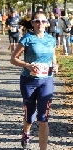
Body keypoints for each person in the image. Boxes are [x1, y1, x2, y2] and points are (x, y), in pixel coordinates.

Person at [10, 11, 58, 150]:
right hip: (28, 81)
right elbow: (13, 59)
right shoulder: (27, 38)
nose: (40, 24)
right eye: (37, 21)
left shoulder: (51, 39)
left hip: (46, 80)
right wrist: (28, 65)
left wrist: (55, 66)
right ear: (32, 23)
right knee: (30, 115)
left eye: (43, 21)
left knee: (43, 118)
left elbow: (53, 57)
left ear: (47, 23)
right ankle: (26, 132)